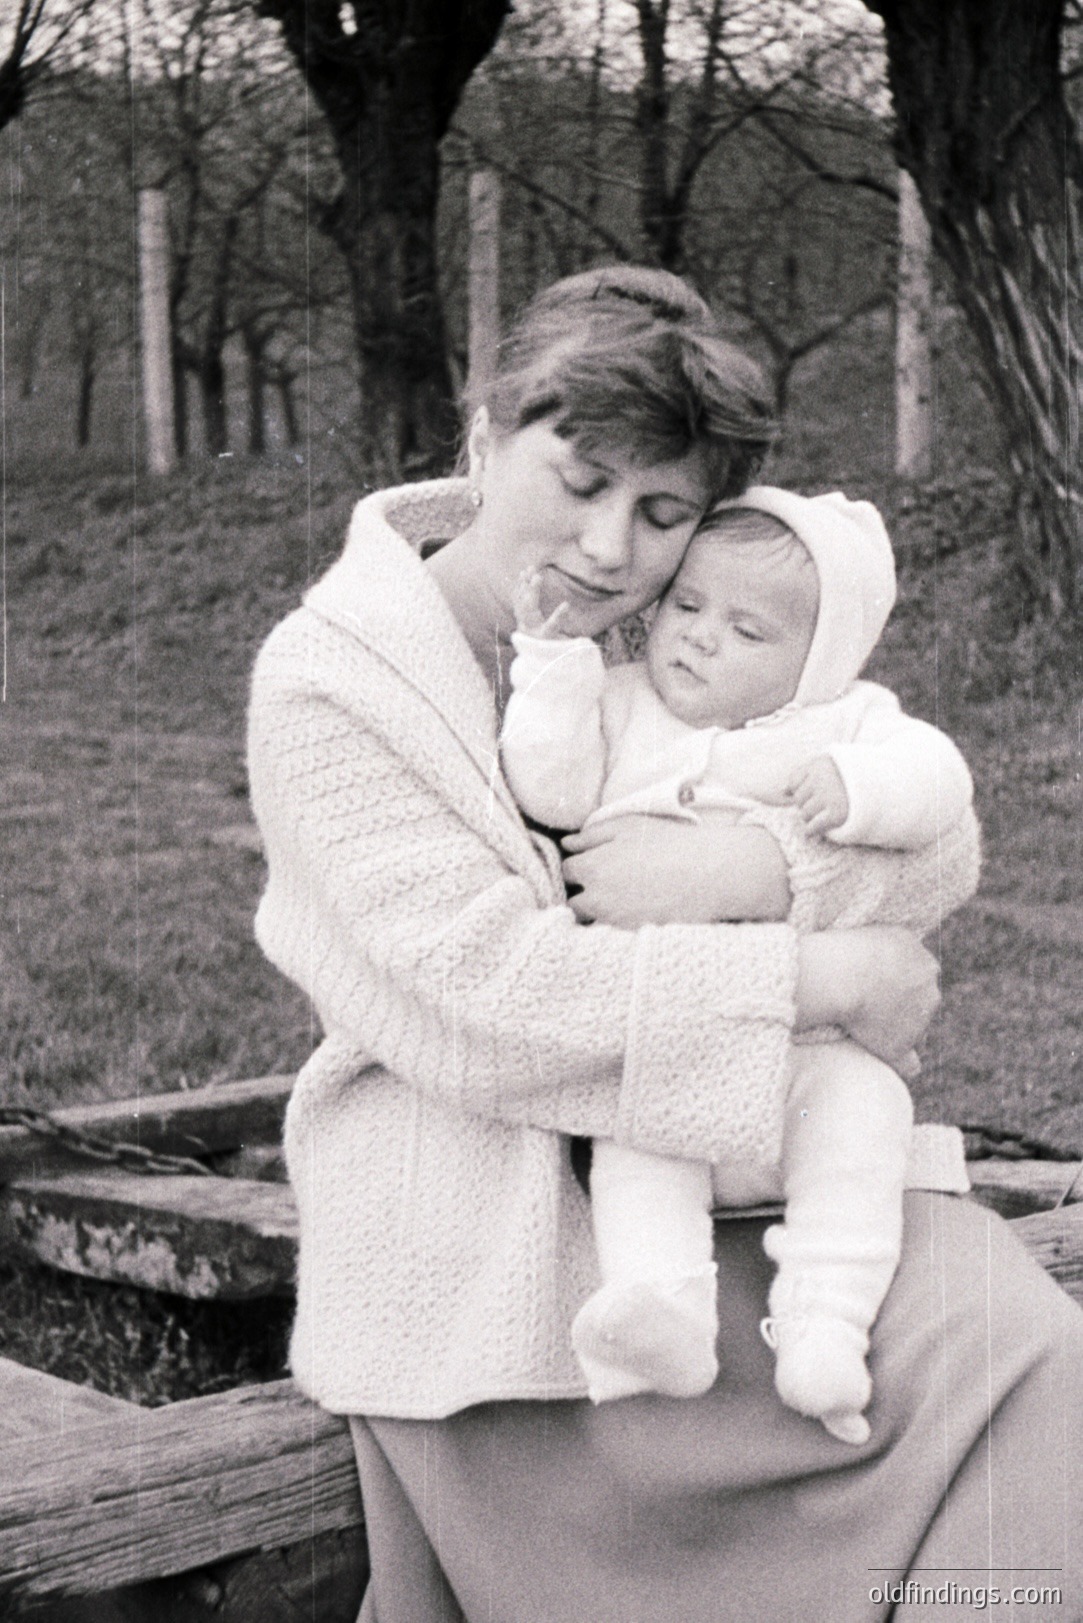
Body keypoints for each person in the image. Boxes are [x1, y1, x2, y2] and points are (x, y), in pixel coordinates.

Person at [247, 266, 1083, 1623]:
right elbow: (480, 1001)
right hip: (487, 1214)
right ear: (485, 429)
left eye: (661, 510)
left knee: (1022, 1352)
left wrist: (756, 864)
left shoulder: (658, 626)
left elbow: (933, 837)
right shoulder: (333, 674)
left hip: (745, 1171)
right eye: (576, 480)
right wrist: (811, 971)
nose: (606, 547)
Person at [500, 487, 975, 1443]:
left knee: (862, 1119)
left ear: (820, 660)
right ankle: (660, 1310)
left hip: (808, 1049)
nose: (699, 638)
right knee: (635, 1143)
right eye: (685, 606)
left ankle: (825, 1323)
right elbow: (546, 783)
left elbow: (940, 783)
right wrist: (551, 669)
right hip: (669, 1035)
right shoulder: (621, 699)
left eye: (746, 628)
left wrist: (861, 788)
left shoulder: (847, 720)